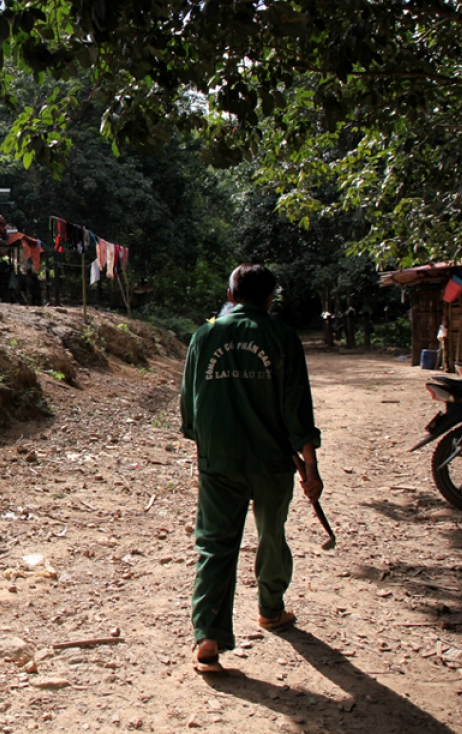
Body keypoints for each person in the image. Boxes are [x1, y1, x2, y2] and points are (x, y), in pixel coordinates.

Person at [180, 263, 322, 674]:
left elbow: (190, 410)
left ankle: (207, 637)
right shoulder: (283, 338)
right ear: (269, 298)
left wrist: (209, 446)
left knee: (215, 546)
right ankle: (270, 609)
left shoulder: (204, 335)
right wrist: (311, 469)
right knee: (272, 534)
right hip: (274, 462)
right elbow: (299, 411)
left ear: (230, 295)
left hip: (219, 461)